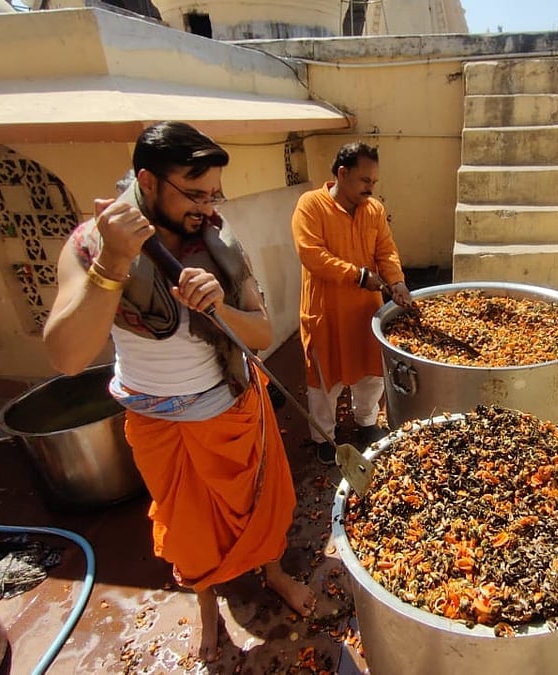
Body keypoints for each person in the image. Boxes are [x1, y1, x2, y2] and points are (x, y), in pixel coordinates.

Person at [43, 121, 315, 663]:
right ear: (146, 180)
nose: (206, 207)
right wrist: (114, 262)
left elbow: (260, 333)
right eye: (194, 193)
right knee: (190, 532)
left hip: (231, 408)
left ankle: (274, 572)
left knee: (258, 508)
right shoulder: (91, 244)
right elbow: (66, 357)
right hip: (157, 420)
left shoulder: (216, 242)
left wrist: (221, 306)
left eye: (213, 193)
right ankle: (207, 605)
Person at [290, 142, 412, 465]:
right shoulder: (311, 206)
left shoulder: (373, 210)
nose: (371, 188)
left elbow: (385, 250)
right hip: (326, 312)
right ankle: (324, 437)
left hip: (365, 311)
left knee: (370, 373)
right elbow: (311, 254)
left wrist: (396, 281)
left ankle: (366, 422)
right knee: (323, 381)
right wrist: (357, 275)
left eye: (374, 181)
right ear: (342, 174)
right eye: (364, 181)